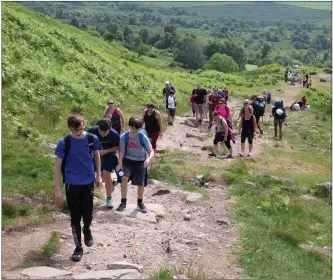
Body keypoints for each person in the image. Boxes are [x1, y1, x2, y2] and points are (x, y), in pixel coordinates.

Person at [54, 114, 102, 262]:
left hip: (87, 182)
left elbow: (97, 155)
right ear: (70, 128)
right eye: (76, 131)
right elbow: (57, 167)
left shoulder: (92, 139)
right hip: (71, 184)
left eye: (81, 129)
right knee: (75, 217)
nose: (79, 132)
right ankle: (78, 248)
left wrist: (98, 175)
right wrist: (57, 189)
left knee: (88, 215)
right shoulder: (64, 142)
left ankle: (86, 229)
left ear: (84, 124)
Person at [116, 116, 154, 213]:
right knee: (124, 178)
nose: (133, 130)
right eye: (132, 127)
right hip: (128, 160)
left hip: (140, 161)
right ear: (129, 126)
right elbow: (122, 151)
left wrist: (149, 159)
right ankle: (123, 202)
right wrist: (119, 164)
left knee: (140, 184)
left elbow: (151, 150)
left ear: (139, 128)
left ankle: (140, 202)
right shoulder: (124, 137)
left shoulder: (142, 136)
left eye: (136, 128)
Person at [87, 119, 120, 209]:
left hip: (110, 154)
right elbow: (85, 144)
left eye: (105, 132)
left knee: (106, 173)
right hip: (96, 155)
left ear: (110, 129)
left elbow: (118, 147)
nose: (103, 134)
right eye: (101, 131)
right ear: (98, 128)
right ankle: (111, 184)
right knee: (100, 176)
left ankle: (109, 198)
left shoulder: (114, 134)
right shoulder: (92, 131)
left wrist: (104, 151)